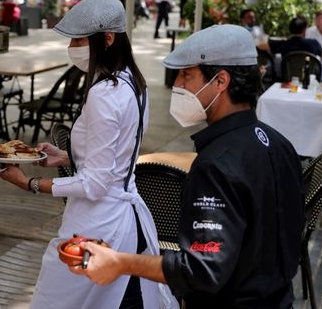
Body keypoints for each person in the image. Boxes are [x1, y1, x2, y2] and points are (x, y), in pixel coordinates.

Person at [70, 24, 305, 308]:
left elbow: (202, 270)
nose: (178, 85)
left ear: (221, 81)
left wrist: (120, 262)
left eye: (186, 75)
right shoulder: (280, 145)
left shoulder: (216, 165)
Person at [0, 0, 175, 309]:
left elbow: (95, 184)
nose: (72, 46)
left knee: (61, 299)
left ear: (108, 38)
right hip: (123, 218)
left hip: (99, 223)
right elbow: (117, 152)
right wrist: (66, 157)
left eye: (79, 38)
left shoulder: (105, 93)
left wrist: (29, 183)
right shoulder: (135, 84)